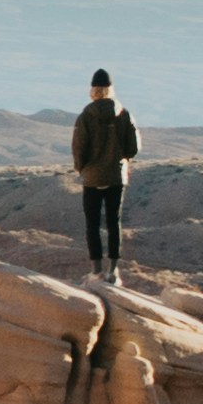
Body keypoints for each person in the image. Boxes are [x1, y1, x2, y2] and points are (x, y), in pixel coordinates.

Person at [68, 68, 138, 277]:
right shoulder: (124, 114)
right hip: (116, 176)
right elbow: (133, 148)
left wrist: (83, 169)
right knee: (113, 222)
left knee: (92, 224)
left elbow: (79, 148)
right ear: (110, 90)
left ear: (93, 90)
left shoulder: (86, 116)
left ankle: (96, 269)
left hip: (92, 177)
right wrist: (121, 159)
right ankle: (113, 270)